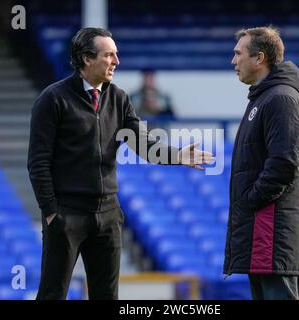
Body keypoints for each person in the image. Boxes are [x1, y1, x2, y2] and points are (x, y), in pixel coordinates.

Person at [27, 27, 213, 300]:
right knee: (53, 294)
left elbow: (144, 145)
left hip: (108, 216)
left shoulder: (119, 98)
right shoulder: (52, 99)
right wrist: (52, 213)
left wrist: (177, 156)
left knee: (107, 296)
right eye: (109, 55)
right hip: (66, 215)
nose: (117, 61)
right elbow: (38, 162)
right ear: (87, 59)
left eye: (116, 54)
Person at [223, 26, 299, 300]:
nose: (233, 61)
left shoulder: (280, 98)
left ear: (259, 58)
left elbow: (284, 163)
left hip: (271, 233)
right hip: (262, 233)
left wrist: (251, 199)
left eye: (238, 54)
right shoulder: (263, 97)